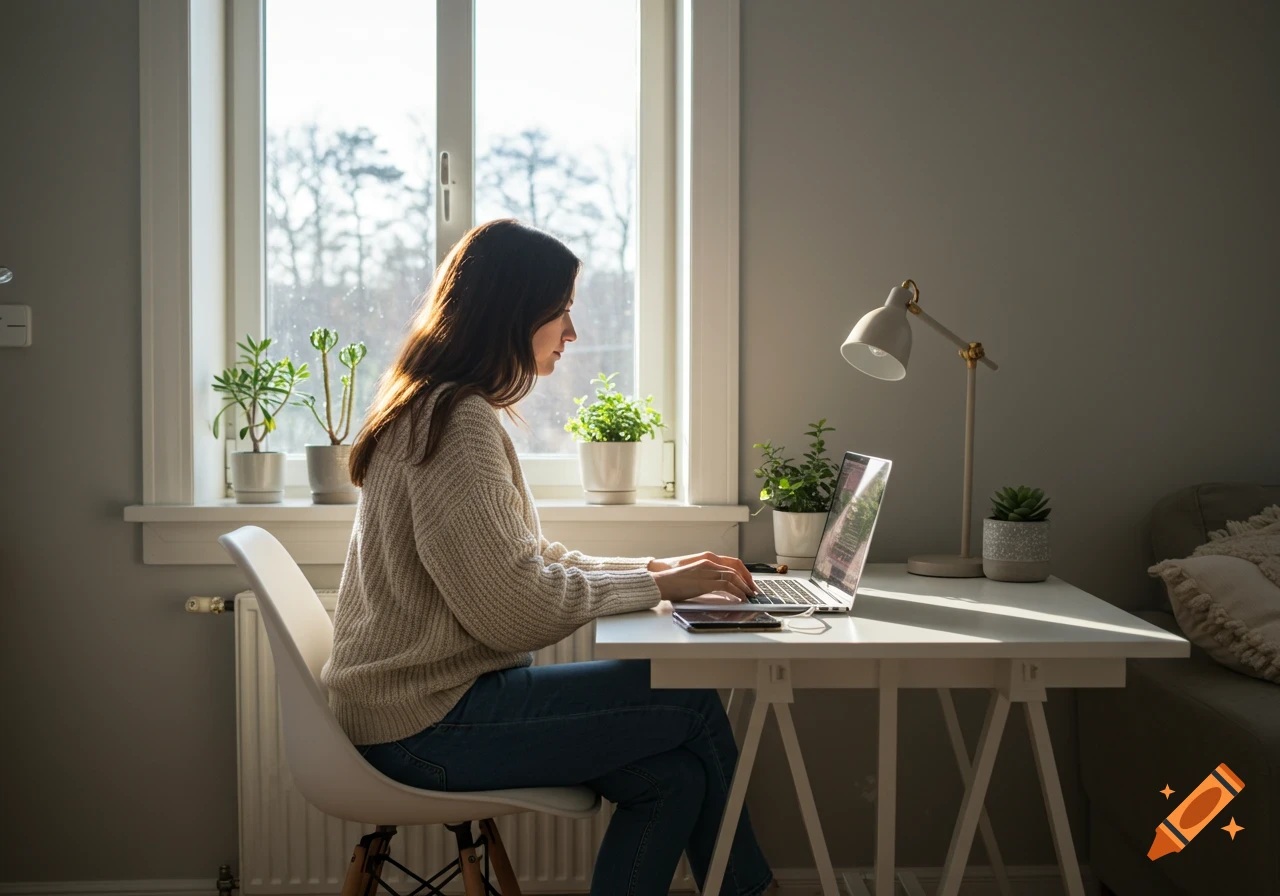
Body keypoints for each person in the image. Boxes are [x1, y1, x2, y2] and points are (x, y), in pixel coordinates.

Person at [321, 219, 774, 896]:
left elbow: (524, 561)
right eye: (561, 312)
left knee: (673, 778)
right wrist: (660, 588)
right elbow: (516, 610)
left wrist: (655, 573)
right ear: (513, 311)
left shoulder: (438, 407)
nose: (572, 333)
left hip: (419, 711)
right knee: (693, 702)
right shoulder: (456, 424)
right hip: (425, 725)